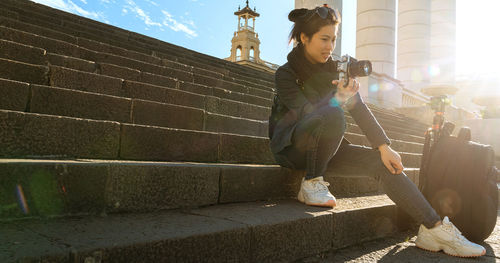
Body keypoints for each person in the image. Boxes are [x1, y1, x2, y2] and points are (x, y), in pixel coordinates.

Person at [268, 4, 486, 258]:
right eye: (324, 39)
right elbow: (306, 113)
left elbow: (359, 109)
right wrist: (337, 99)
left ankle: (433, 228)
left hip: (324, 147)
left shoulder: (336, 70)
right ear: (304, 38)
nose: (330, 47)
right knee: (334, 112)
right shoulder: (285, 74)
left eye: (334, 40)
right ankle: (311, 182)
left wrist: (384, 147)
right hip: (291, 149)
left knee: (385, 164)